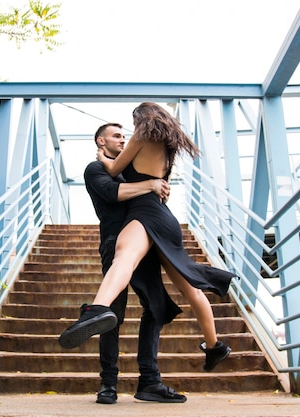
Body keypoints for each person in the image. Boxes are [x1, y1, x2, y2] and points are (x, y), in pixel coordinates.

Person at [59, 102, 236, 372]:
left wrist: (102, 157)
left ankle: (97, 308)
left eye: (131, 123)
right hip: (166, 218)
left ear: (141, 118)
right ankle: (214, 346)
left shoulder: (141, 137)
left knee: (125, 258)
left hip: (146, 214)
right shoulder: (167, 148)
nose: (128, 133)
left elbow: (115, 167)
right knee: (191, 289)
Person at [59, 122, 186, 404]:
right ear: (100, 141)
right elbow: (112, 194)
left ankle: (150, 382)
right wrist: (149, 185)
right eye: (116, 136)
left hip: (146, 242)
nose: (123, 139)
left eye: (124, 136)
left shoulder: (131, 168)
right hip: (115, 243)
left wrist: (158, 186)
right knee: (110, 314)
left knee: (156, 308)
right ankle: (108, 384)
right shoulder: (96, 169)